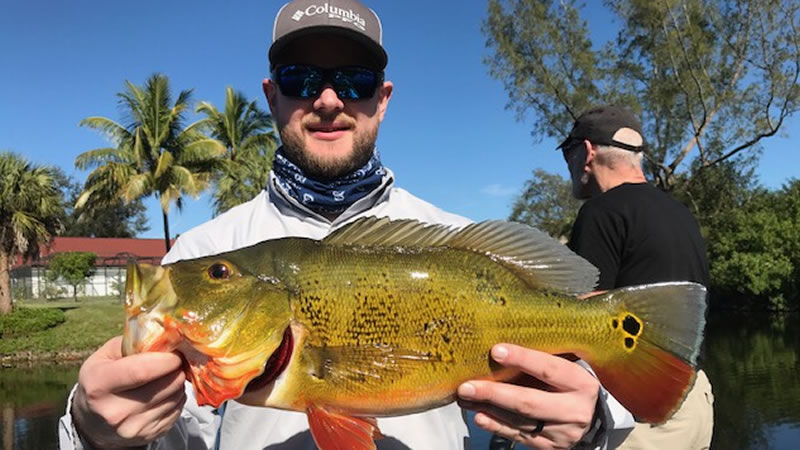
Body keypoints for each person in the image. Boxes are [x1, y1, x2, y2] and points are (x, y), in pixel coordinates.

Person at [58, 2, 635, 449]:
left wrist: (589, 429)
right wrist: (93, 431)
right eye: (301, 79)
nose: (329, 99)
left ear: (381, 100)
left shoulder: (456, 243)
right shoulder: (202, 252)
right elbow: (162, 437)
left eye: (354, 81)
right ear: (271, 95)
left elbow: (572, 418)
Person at [558, 105, 715, 449]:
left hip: (640, 418)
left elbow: (579, 321)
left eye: (566, 153)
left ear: (586, 152)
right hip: (696, 402)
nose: (566, 164)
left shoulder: (602, 212)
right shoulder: (680, 214)